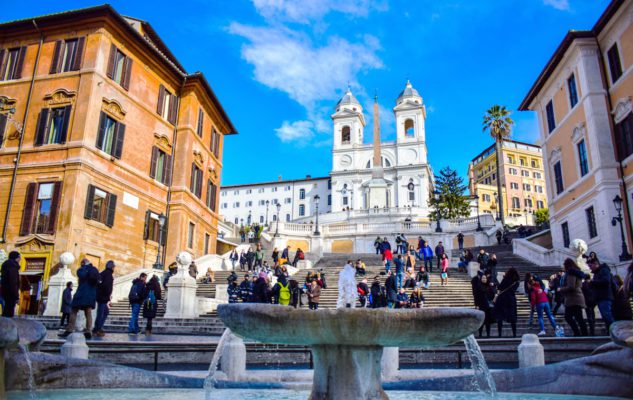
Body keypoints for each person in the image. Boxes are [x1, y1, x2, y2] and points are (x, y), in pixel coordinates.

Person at [59, 259, 100, 338]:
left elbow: (81, 276)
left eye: (81, 263)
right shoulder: (94, 270)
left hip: (81, 293)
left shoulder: (82, 269)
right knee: (88, 312)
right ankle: (88, 331)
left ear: (83, 263)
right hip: (91, 295)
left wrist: (83, 269)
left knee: (73, 310)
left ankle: (69, 329)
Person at [559, 259, 588, 336]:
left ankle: (578, 333)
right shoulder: (576, 272)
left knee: (568, 317)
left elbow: (571, 286)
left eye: (564, 265)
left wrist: (561, 289)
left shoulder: (571, 273)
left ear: (567, 265)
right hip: (576, 298)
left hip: (574, 299)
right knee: (579, 318)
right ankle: (583, 333)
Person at [493, 268, 520, 338]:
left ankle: (500, 334)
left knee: (500, 317)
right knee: (512, 317)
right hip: (511, 299)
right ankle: (514, 334)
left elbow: (499, 288)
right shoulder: (516, 282)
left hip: (502, 299)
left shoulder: (506, 279)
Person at [93, 260, 115, 337]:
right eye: (114, 267)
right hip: (103, 297)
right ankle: (97, 329)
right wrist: (108, 297)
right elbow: (107, 287)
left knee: (104, 312)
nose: (114, 268)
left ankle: (98, 327)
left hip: (100, 296)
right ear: (112, 267)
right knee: (102, 313)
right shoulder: (108, 274)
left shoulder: (102, 273)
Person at [590, 262, 615, 330]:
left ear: (596, 264)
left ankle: (615, 331)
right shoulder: (597, 273)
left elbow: (606, 281)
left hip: (605, 296)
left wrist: (593, 282)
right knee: (605, 316)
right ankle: (610, 332)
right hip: (600, 297)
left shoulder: (604, 270)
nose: (589, 267)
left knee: (607, 315)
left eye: (590, 265)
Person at [1, 251, 21, 318]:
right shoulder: (13, 267)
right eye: (19, 258)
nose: (20, 260)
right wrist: (16, 297)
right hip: (10, 294)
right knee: (8, 314)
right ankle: (6, 328)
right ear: (16, 258)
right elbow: (13, 283)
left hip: (4, 292)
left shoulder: (6, 265)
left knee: (6, 311)